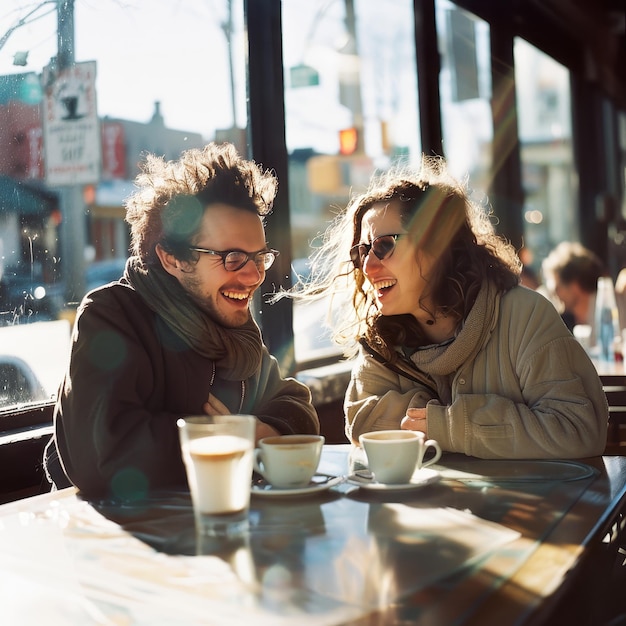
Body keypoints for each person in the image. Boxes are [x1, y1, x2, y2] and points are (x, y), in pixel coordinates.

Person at [44, 143, 319, 498]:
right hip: (122, 541)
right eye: (233, 257)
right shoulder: (114, 314)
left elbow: (297, 406)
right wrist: (225, 437)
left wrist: (251, 433)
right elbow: (104, 455)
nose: (253, 276)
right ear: (171, 258)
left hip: (222, 528)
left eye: (259, 257)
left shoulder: (235, 331)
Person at [292, 156, 607, 459]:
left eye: (384, 245)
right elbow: (364, 422)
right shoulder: (381, 340)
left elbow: (578, 428)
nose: (368, 266)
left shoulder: (523, 315)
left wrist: (446, 425)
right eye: (361, 251)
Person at [541, 241, 605, 333]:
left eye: (557, 288)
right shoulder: (563, 324)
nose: (554, 295)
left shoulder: (613, 312)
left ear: (575, 285)